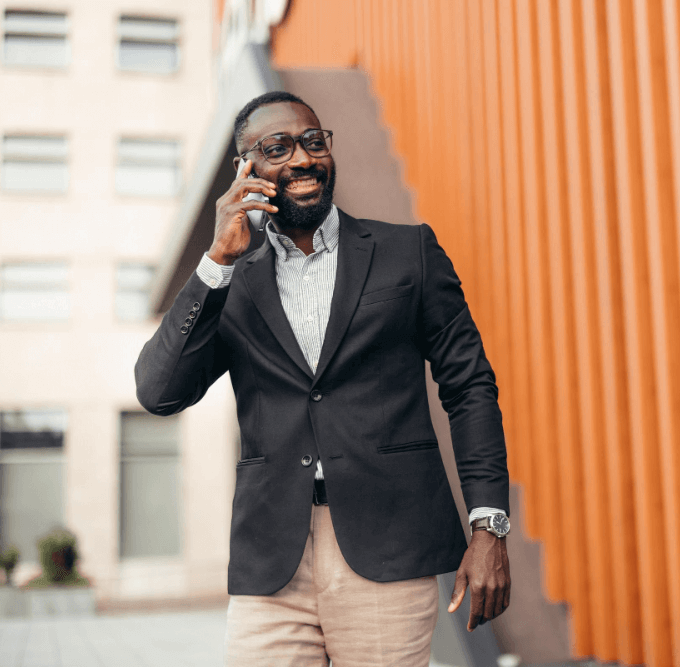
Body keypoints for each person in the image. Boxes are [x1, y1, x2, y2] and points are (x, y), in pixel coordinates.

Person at [134, 90, 511, 666]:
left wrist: (489, 525)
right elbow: (158, 393)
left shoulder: (407, 252)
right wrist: (215, 262)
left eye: (314, 141)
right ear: (246, 169)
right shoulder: (231, 280)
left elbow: (469, 386)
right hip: (272, 561)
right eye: (277, 147)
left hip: (387, 545)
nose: (303, 159)